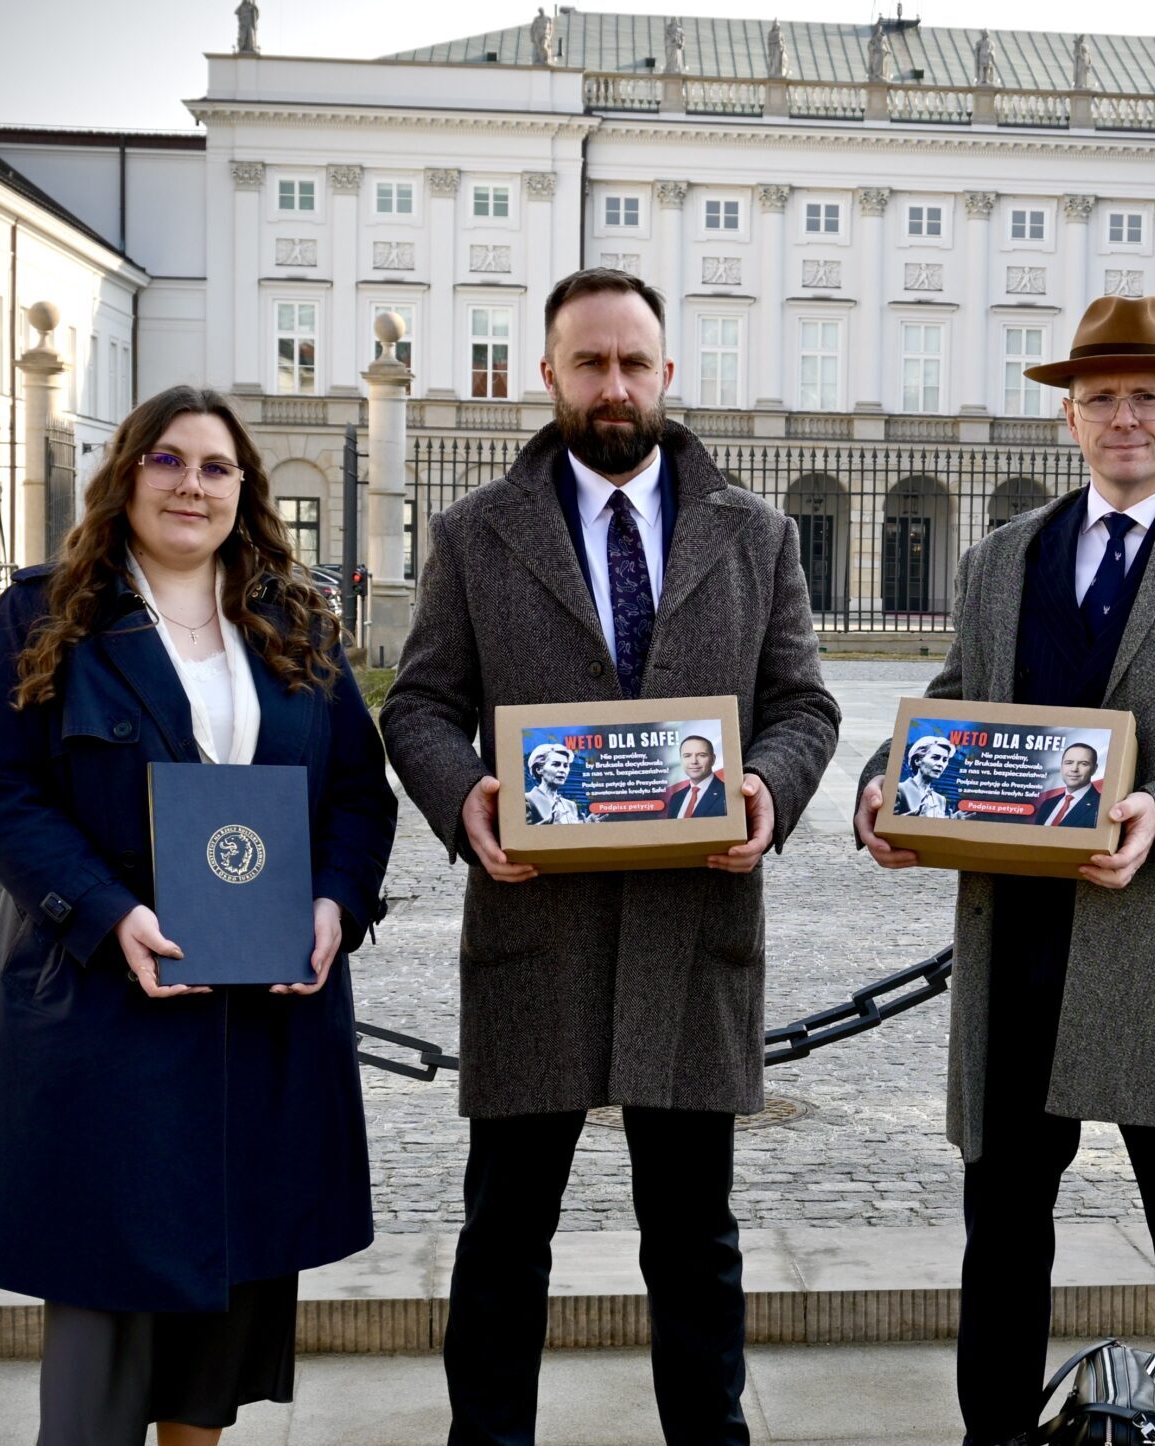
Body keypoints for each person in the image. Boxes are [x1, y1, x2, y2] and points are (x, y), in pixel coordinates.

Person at [854, 296, 1155, 1446]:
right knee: (1003, 1240)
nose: (1122, 417)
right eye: (1099, 397)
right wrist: (888, 783)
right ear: (1068, 417)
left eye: (1146, 397)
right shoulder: (1000, 558)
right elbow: (951, 706)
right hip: (1016, 947)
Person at [380, 266, 840, 1446]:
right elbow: (420, 706)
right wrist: (465, 797)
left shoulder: (757, 532)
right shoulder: (477, 534)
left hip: (695, 929)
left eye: (634, 362)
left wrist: (765, 794)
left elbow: (803, 708)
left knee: (694, 1239)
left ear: (668, 373)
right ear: (549, 376)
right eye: (588, 363)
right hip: (538, 928)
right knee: (503, 1233)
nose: (613, 385)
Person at [0, 385, 398, 1446]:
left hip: (261, 1018)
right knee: (102, 1338)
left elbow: (356, 795)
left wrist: (336, 902)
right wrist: (106, 915)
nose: (191, 484)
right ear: (127, 476)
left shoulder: (298, 623)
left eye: (215, 467)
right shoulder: (47, 610)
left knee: (222, 1328)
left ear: (244, 493)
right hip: (110, 1007)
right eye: (168, 460)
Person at [1031, 742, 1103, 828]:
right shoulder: (1047, 804)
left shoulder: (1101, 805)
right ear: (1061, 766)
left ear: (1094, 769)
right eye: (1069, 763)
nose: (1074, 769)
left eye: (1083, 764)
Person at [665, 734, 729, 818]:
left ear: (713, 759)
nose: (694, 761)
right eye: (687, 756)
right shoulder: (676, 798)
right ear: (681, 760)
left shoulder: (727, 794)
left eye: (701, 755)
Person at [897, 735, 960, 818]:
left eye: (945, 760)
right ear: (917, 761)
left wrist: (954, 819)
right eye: (935, 758)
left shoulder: (940, 800)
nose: (941, 764)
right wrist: (915, 815)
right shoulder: (899, 789)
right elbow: (888, 823)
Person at [522, 742, 586, 824]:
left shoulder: (571, 805)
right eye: (556, 764)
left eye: (566, 766)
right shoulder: (527, 800)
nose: (562, 770)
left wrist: (587, 823)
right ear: (538, 769)